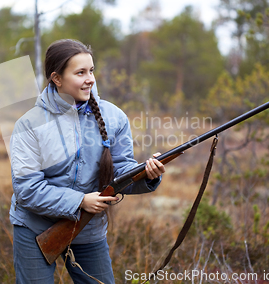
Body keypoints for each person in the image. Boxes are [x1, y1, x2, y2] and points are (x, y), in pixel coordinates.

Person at [9, 39, 165, 284]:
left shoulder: (114, 117)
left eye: (91, 70)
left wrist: (146, 173)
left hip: (88, 229)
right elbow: (27, 190)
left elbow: (119, 171)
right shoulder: (29, 125)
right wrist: (80, 201)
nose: (90, 78)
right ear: (57, 78)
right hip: (35, 229)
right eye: (80, 72)